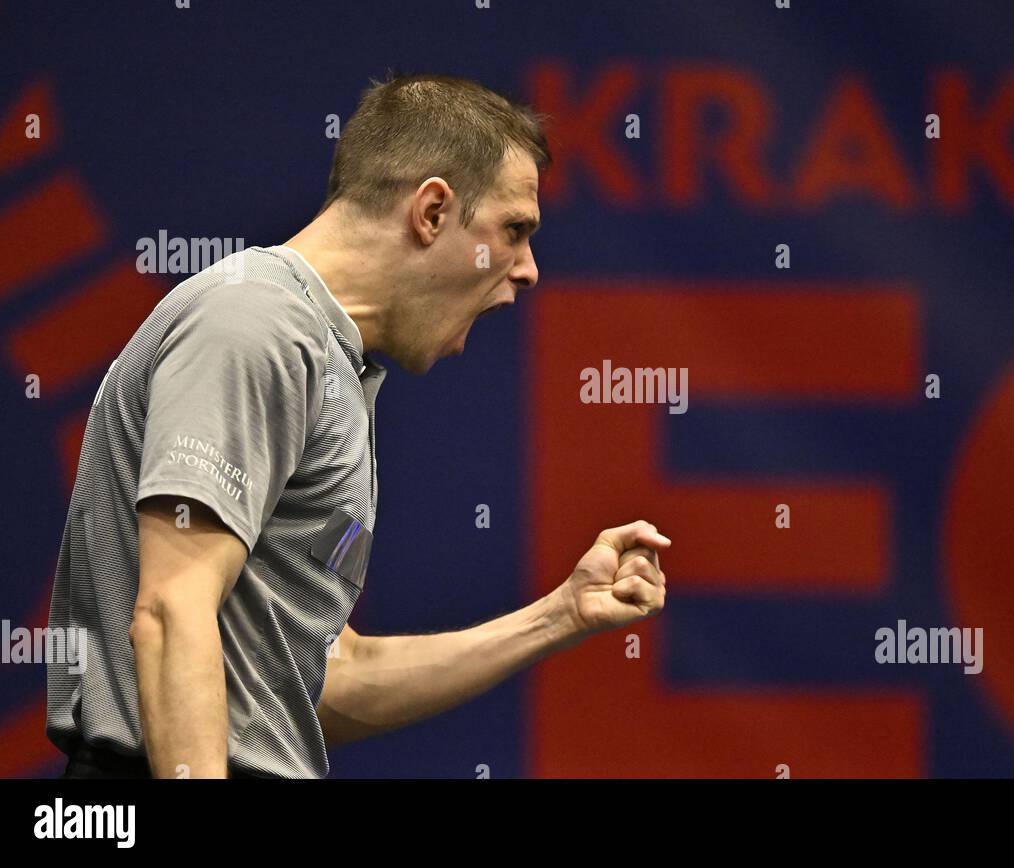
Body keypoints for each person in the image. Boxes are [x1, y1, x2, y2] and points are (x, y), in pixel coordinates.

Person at [46, 72, 670, 779]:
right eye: (514, 230)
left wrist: (560, 616)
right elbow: (170, 612)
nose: (528, 270)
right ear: (432, 212)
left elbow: (330, 681)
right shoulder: (253, 327)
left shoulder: (323, 358)